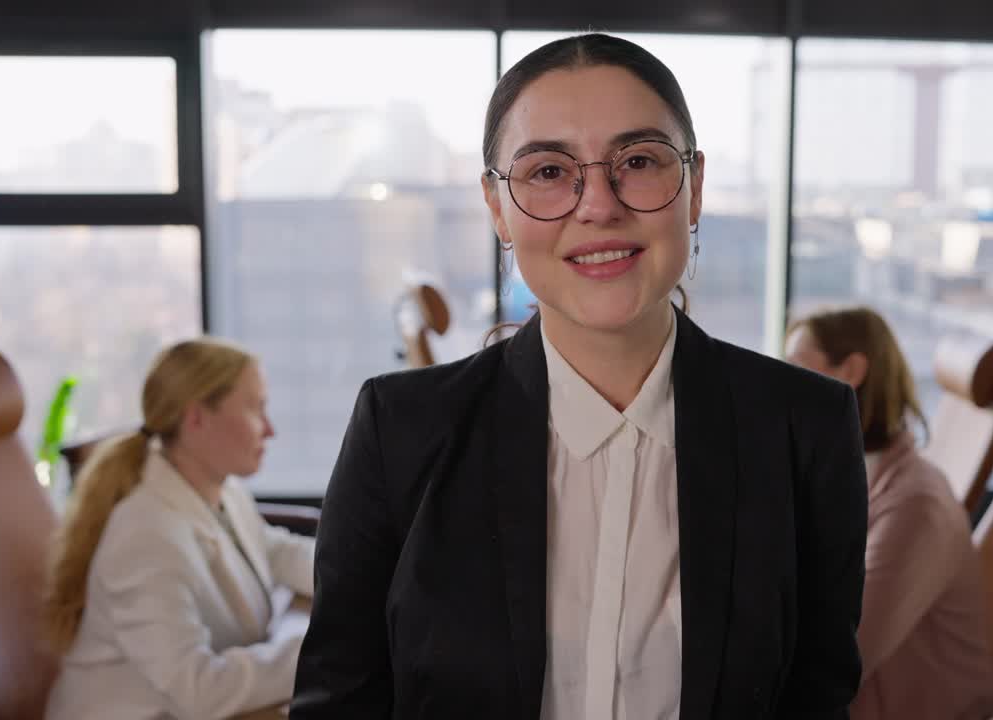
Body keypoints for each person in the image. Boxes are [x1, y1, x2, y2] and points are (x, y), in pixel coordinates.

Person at [292, 33, 867, 719]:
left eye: (640, 160)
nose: (598, 205)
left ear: (695, 187)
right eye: (547, 172)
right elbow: (339, 704)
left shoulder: (806, 428)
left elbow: (817, 697)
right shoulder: (400, 431)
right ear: (497, 206)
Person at [42, 338, 315, 720]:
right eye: (255, 408)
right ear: (196, 417)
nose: (270, 430)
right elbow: (198, 689)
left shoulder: (221, 491)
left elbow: (274, 551)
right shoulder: (146, 536)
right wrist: (320, 650)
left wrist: (364, 575)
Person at [785, 307, 993, 720]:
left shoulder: (915, 508)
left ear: (850, 371)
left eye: (794, 368)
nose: (781, 385)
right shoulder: (839, 477)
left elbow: (843, 654)